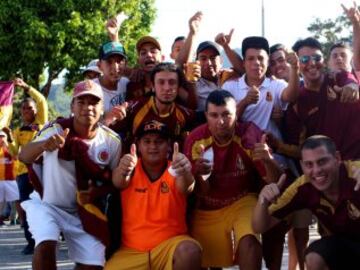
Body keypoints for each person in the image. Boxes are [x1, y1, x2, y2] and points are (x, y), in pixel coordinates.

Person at [19, 80, 121, 270]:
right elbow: (24, 155)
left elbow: (113, 183)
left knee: (93, 265)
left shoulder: (112, 141)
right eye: (81, 102)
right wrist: (44, 145)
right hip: (48, 205)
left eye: (93, 102)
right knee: (46, 244)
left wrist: (101, 190)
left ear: (102, 107)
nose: (87, 108)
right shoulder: (56, 129)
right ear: (72, 106)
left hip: (84, 213)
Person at [184, 90, 281, 269]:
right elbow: (201, 191)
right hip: (208, 206)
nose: (220, 122)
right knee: (200, 257)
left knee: (250, 245)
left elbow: (274, 183)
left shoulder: (249, 134)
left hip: (243, 200)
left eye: (226, 114)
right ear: (206, 116)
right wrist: (197, 174)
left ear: (236, 113)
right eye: (214, 115)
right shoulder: (196, 139)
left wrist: (269, 160)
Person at [253, 135, 360, 270]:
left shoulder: (355, 172)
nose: (316, 170)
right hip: (344, 246)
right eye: (309, 164)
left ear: (337, 158)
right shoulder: (302, 187)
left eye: (322, 162)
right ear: (302, 166)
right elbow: (259, 226)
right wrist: (263, 199)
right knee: (314, 258)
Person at [105, 120, 201, 270]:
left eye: (159, 141)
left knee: (190, 251)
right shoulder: (130, 167)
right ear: (138, 144)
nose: (153, 147)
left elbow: (187, 187)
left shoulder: (176, 168)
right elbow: (118, 181)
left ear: (169, 144)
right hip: (131, 251)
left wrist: (185, 171)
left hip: (170, 248)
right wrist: (123, 168)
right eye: (147, 141)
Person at [111, 62, 196, 149]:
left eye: (172, 82)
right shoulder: (133, 108)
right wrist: (114, 118)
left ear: (178, 86)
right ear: (153, 86)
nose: (167, 88)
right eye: (161, 82)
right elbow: (106, 132)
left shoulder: (186, 115)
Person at [8, 78, 48, 255]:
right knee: (26, 207)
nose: (27, 111)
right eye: (24, 108)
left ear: (35, 111)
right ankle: (30, 241)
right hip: (24, 174)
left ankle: (47, 239)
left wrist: (26, 87)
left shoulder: (41, 123)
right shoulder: (18, 131)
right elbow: (15, 152)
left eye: (30, 108)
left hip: (43, 171)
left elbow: (41, 101)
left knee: (46, 205)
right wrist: (9, 139)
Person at [0, 129, 19, 226]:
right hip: (0, 180)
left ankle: (14, 218)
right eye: (0, 137)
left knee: (16, 200)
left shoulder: (10, 148)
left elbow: (16, 157)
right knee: (1, 201)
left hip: (11, 179)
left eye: (3, 136)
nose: (1, 139)